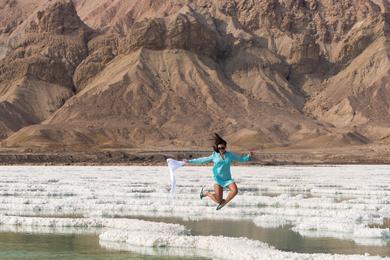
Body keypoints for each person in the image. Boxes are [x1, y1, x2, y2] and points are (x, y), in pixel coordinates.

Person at [183, 133, 252, 210]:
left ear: (225, 147)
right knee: (218, 200)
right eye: (219, 148)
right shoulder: (214, 155)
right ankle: (206, 193)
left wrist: (248, 157)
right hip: (218, 179)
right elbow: (203, 160)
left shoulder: (229, 155)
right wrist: (190, 161)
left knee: (235, 191)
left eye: (222, 148)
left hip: (227, 179)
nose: (221, 150)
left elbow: (241, 159)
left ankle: (223, 203)